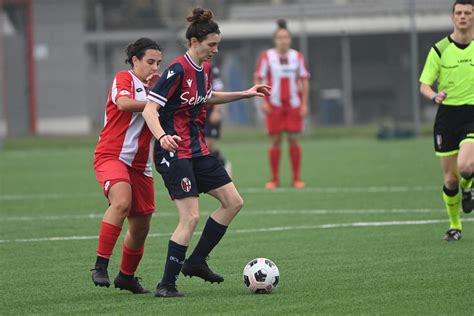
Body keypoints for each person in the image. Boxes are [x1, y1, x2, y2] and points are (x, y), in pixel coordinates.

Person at [142, 8, 271, 297]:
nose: (215, 50)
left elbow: (208, 97)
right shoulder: (177, 70)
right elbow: (150, 109)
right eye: (211, 44)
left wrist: (245, 93)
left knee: (233, 201)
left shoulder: (204, 70)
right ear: (194, 42)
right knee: (190, 218)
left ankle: (197, 261)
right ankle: (166, 284)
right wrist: (162, 137)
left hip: (197, 150)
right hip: (174, 153)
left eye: (217, 44)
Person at [91, 38, 162, 293]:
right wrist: (156, 102)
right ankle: (100, 265)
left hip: (140, 164)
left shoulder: (158, 87)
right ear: (135, 61)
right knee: (121, 201)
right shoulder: (124, 78)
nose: (155, 67)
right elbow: (123, 104)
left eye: (158, 63)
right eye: (150, 62)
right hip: (112, 155)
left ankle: (126, 277)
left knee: (141, 226)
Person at [419, 0, 474, 241]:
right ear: (453, 17)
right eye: (459, 13)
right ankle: (455, 225)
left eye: (468, 13)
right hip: (446, 117)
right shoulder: (440, 49)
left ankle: (469, 186)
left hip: (471, 113)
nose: (463, 17)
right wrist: (434, 95)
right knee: (451, 179)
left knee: (466, 166)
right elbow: (424, 85)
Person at [255, 19, 310, 189]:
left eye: (286, 37)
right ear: (275, 39)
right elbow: (259, 78)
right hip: (274, 104)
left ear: (290, 39)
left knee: (294, 139)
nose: (283, 40)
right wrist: (263, 102)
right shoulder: (267, 56)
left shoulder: (297, 56)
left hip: (293, 104)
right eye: (280, 37)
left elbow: (304, 80)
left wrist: (304, 104)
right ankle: (275, 178)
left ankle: (296, 178)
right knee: (275, 140)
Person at [204, 65, 232, 177]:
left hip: (210, 113)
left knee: (208, 146)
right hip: (197, 114)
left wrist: (216, 111)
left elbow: (219, 89)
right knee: (201, 147)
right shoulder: (189, 67)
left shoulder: (212, 70)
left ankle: (222, 164)